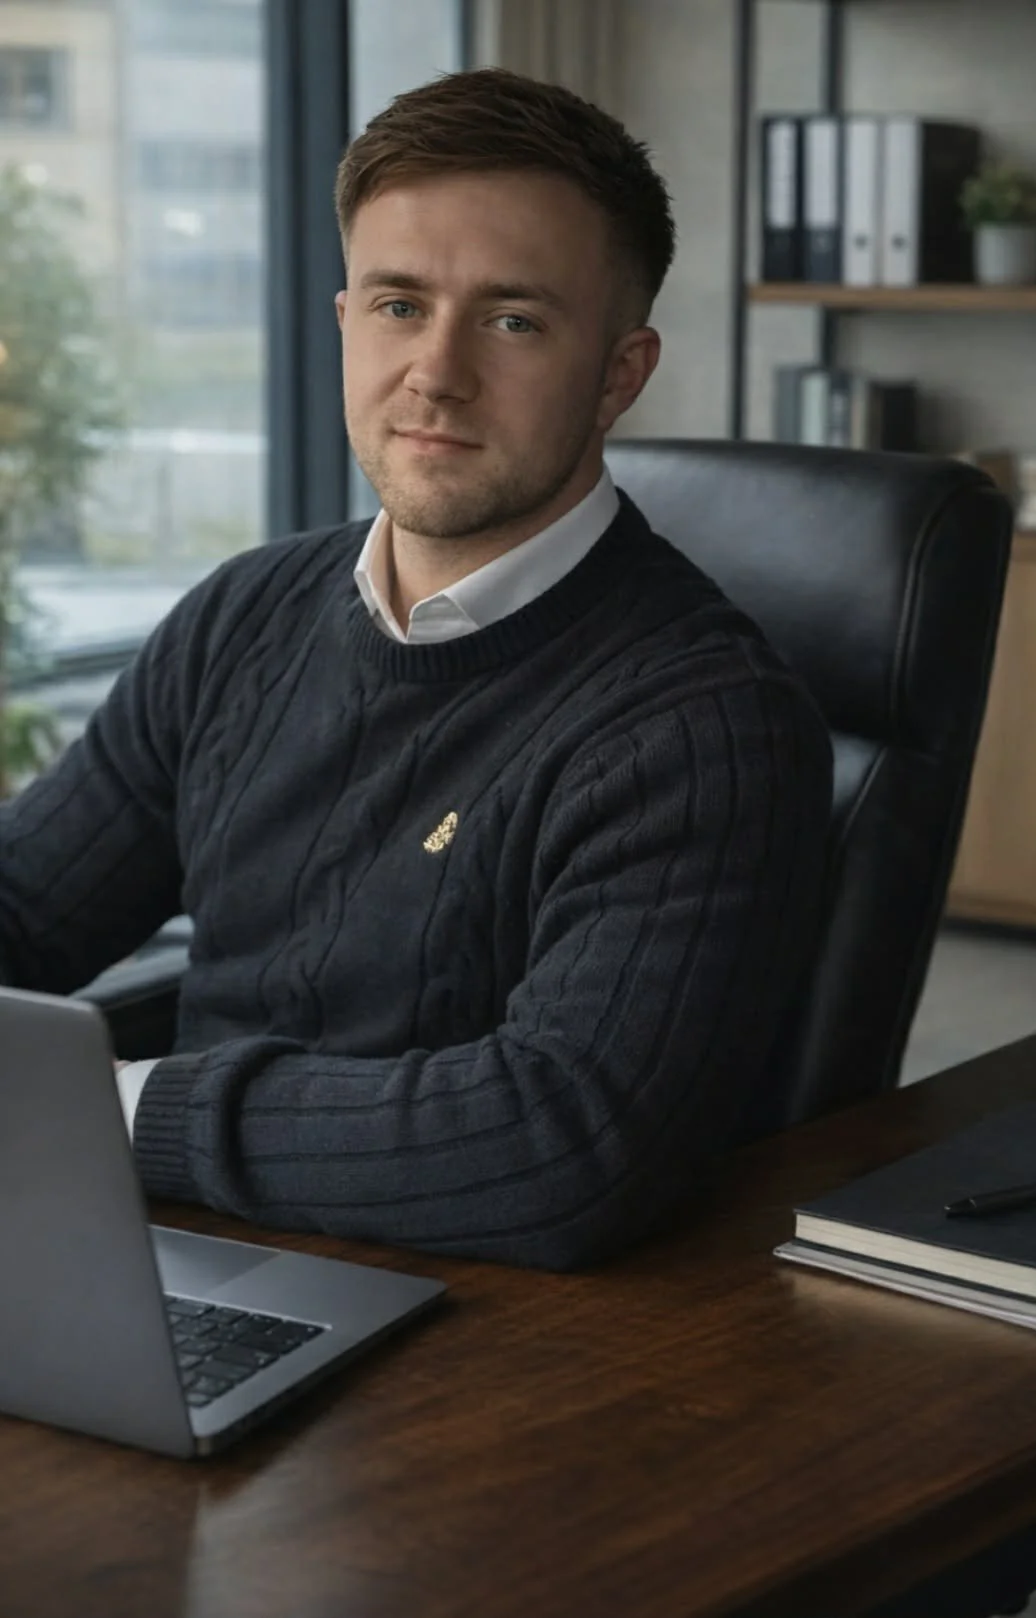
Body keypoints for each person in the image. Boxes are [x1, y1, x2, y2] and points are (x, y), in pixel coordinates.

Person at [0, 68, 831, 1270]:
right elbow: (29, 909)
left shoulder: (703, 728)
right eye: (398, 304)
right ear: (344, 323)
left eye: (511, 321)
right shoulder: (245, 614)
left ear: (618, 373)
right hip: (168, 1268)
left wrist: (107, 1114)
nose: (434, 373)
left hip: (475, 1348)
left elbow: (556, 1141)